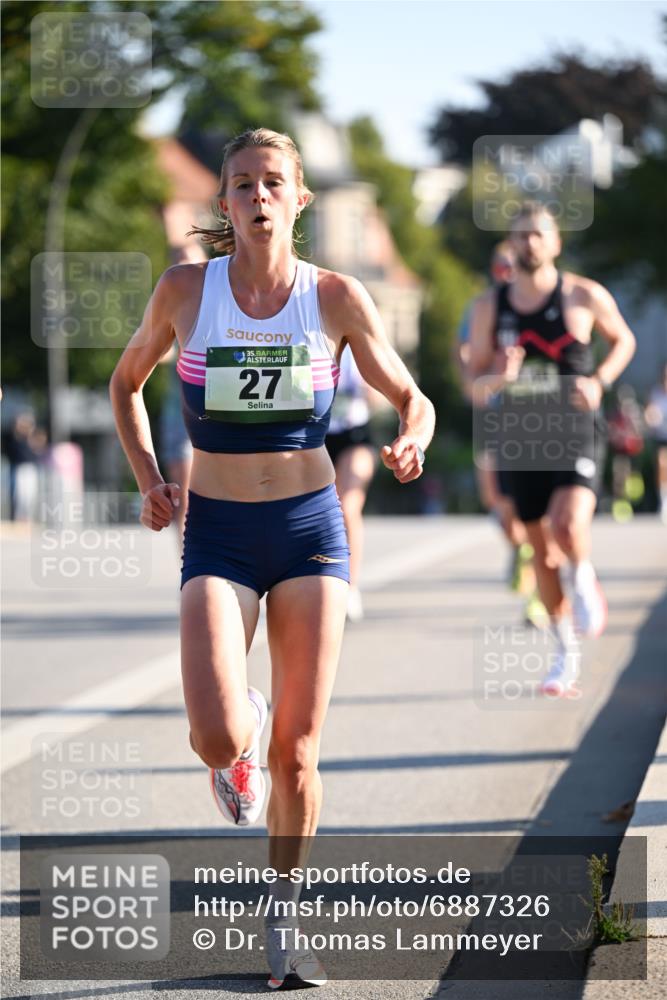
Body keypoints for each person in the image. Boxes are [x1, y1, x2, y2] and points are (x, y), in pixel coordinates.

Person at [109, 127, 435, 988]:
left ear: (298, 200)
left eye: (273, 183)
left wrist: (410, 435)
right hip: (215, 529)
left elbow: (413, 395)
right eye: (242, 183)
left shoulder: (334, 298)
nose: (257, 196)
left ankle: (285, 919)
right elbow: (125, 383)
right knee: (219, 736)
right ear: (222, 203)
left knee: (300, 750)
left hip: (309, 530)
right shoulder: (186, 290)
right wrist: (149, 476)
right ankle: (238, 734)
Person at [468, 201, 635, 695]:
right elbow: (475, 386)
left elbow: (623, 340)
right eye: (521, 235)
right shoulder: (489, 307)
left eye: (539, 234)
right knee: (540, 552)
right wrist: (502, 375)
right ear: (511, 243)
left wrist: (600, 380)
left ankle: (584, 577)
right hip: (521, 437)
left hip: (576, 428)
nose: (530, 243)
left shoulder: (582, 295)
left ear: (556, 242)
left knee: (567, 523)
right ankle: (566, 655)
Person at [458, 242, 546, 627]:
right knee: (496, 499)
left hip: (537, 420)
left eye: (512, 265)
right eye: (499, 266)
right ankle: (520, 548)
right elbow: (463, 358)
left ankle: (538, 596)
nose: (506, 272)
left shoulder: (543, 305)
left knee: (537, 509)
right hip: (492, 415)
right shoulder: (482, 308)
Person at [324, 344, 377, 622]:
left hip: (354, 435)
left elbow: (383, 394)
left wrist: (370, 390)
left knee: (348, 506)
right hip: (314, 435)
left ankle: (350, 586)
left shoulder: (359, 346)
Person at [645, 362, 667, 523]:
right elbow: (650, 412)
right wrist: (650, 416)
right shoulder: (656, 394)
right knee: (662, 464)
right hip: (661, 437)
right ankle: (663, 500)